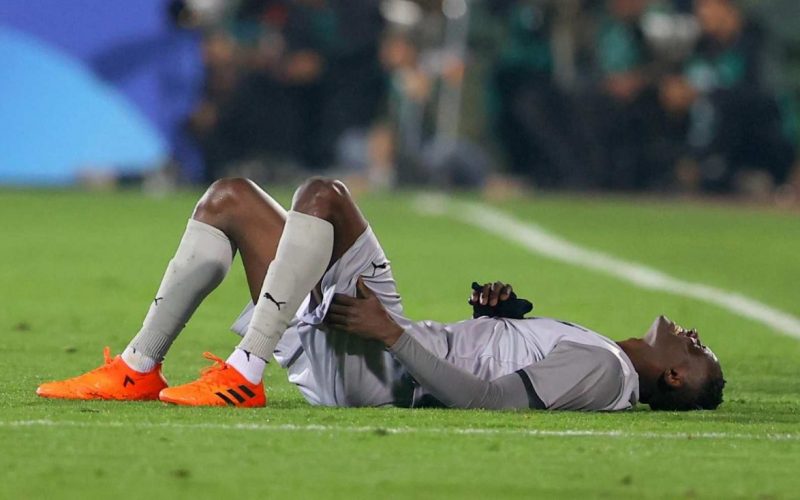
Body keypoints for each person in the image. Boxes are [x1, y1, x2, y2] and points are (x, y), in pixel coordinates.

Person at [37, 177, 725, 411]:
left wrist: (391, 333)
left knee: (325, 199)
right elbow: (493, 367)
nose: (696, 338)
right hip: (382, 352)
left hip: (383, 362)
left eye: (700, 357)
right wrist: (491, 321)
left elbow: (487, 401)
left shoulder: (606, 370)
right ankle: (137, 366)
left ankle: (243, 372)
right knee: (230, 201)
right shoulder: (602, 355)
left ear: (672, 376)